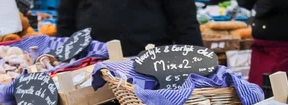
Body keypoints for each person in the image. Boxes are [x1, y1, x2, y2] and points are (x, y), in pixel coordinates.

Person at [57, 0, 204, 57]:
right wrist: (61, 58)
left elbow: (185, 22)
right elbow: (66, 18)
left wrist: (198, 64)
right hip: (88, 67)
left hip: (148, 67)